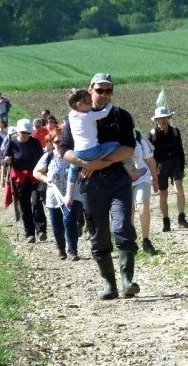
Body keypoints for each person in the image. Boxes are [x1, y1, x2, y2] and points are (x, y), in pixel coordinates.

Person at [61, 73, 140, 300]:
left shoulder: (121, 116)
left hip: (118, 180)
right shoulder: (75, 116)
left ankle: (127, 281)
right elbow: (64, 150)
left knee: (123, 225)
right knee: (98, 232)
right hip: (90, 185)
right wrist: (86, 164)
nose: (104, 95)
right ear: (90, 90)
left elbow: (128, 149)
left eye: (108, 91)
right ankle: (109, 285)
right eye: (100, 90)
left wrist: (99, 164)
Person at [35, 128, 83, 260]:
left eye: (64, 142)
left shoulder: (75, 156)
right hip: (53, 196)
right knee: (57, 225)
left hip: (74, 194)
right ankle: (61, 248)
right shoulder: (48, 157)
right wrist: (46, 179)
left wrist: (83, 172)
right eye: (57, 142)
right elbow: (37, 172)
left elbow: (86, 168)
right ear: (51, 142)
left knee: (69, 220)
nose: (60, 144)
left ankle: (72, 250)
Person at [4, 119, 48, 242]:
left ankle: (41, 231)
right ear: (18, 132)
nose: (26, 135)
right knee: (24, 206)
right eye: (24, 133)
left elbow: (42, 158)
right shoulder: (12, 143)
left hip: (34, 177)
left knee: (36, 203)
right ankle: (29, 233)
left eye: (28, 133)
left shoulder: (35, 142)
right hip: (20, 179)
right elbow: (5, 157)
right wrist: (7, 159)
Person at [148, 106, 188, 232]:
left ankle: (181, 217)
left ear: (168, 118)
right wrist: (152, 173)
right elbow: (149, 155)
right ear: (156, 120)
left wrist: (181, 168)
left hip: (175, 163)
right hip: (160, 166)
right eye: (160, 118)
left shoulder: (175, 131)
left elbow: (180, 151)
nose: (163, 120)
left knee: (179, 188)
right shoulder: (152, 134)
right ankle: (166, 221)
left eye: (165, 117)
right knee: (163, 194)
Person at [132, 129, 159, 254]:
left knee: (143, 206)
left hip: (142, 177)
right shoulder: (115, 138)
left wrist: (154, 179)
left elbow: (150, 161)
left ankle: (146, 240)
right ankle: (130, 241)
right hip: (123, 181)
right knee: (128, 211)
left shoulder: (139, 138)